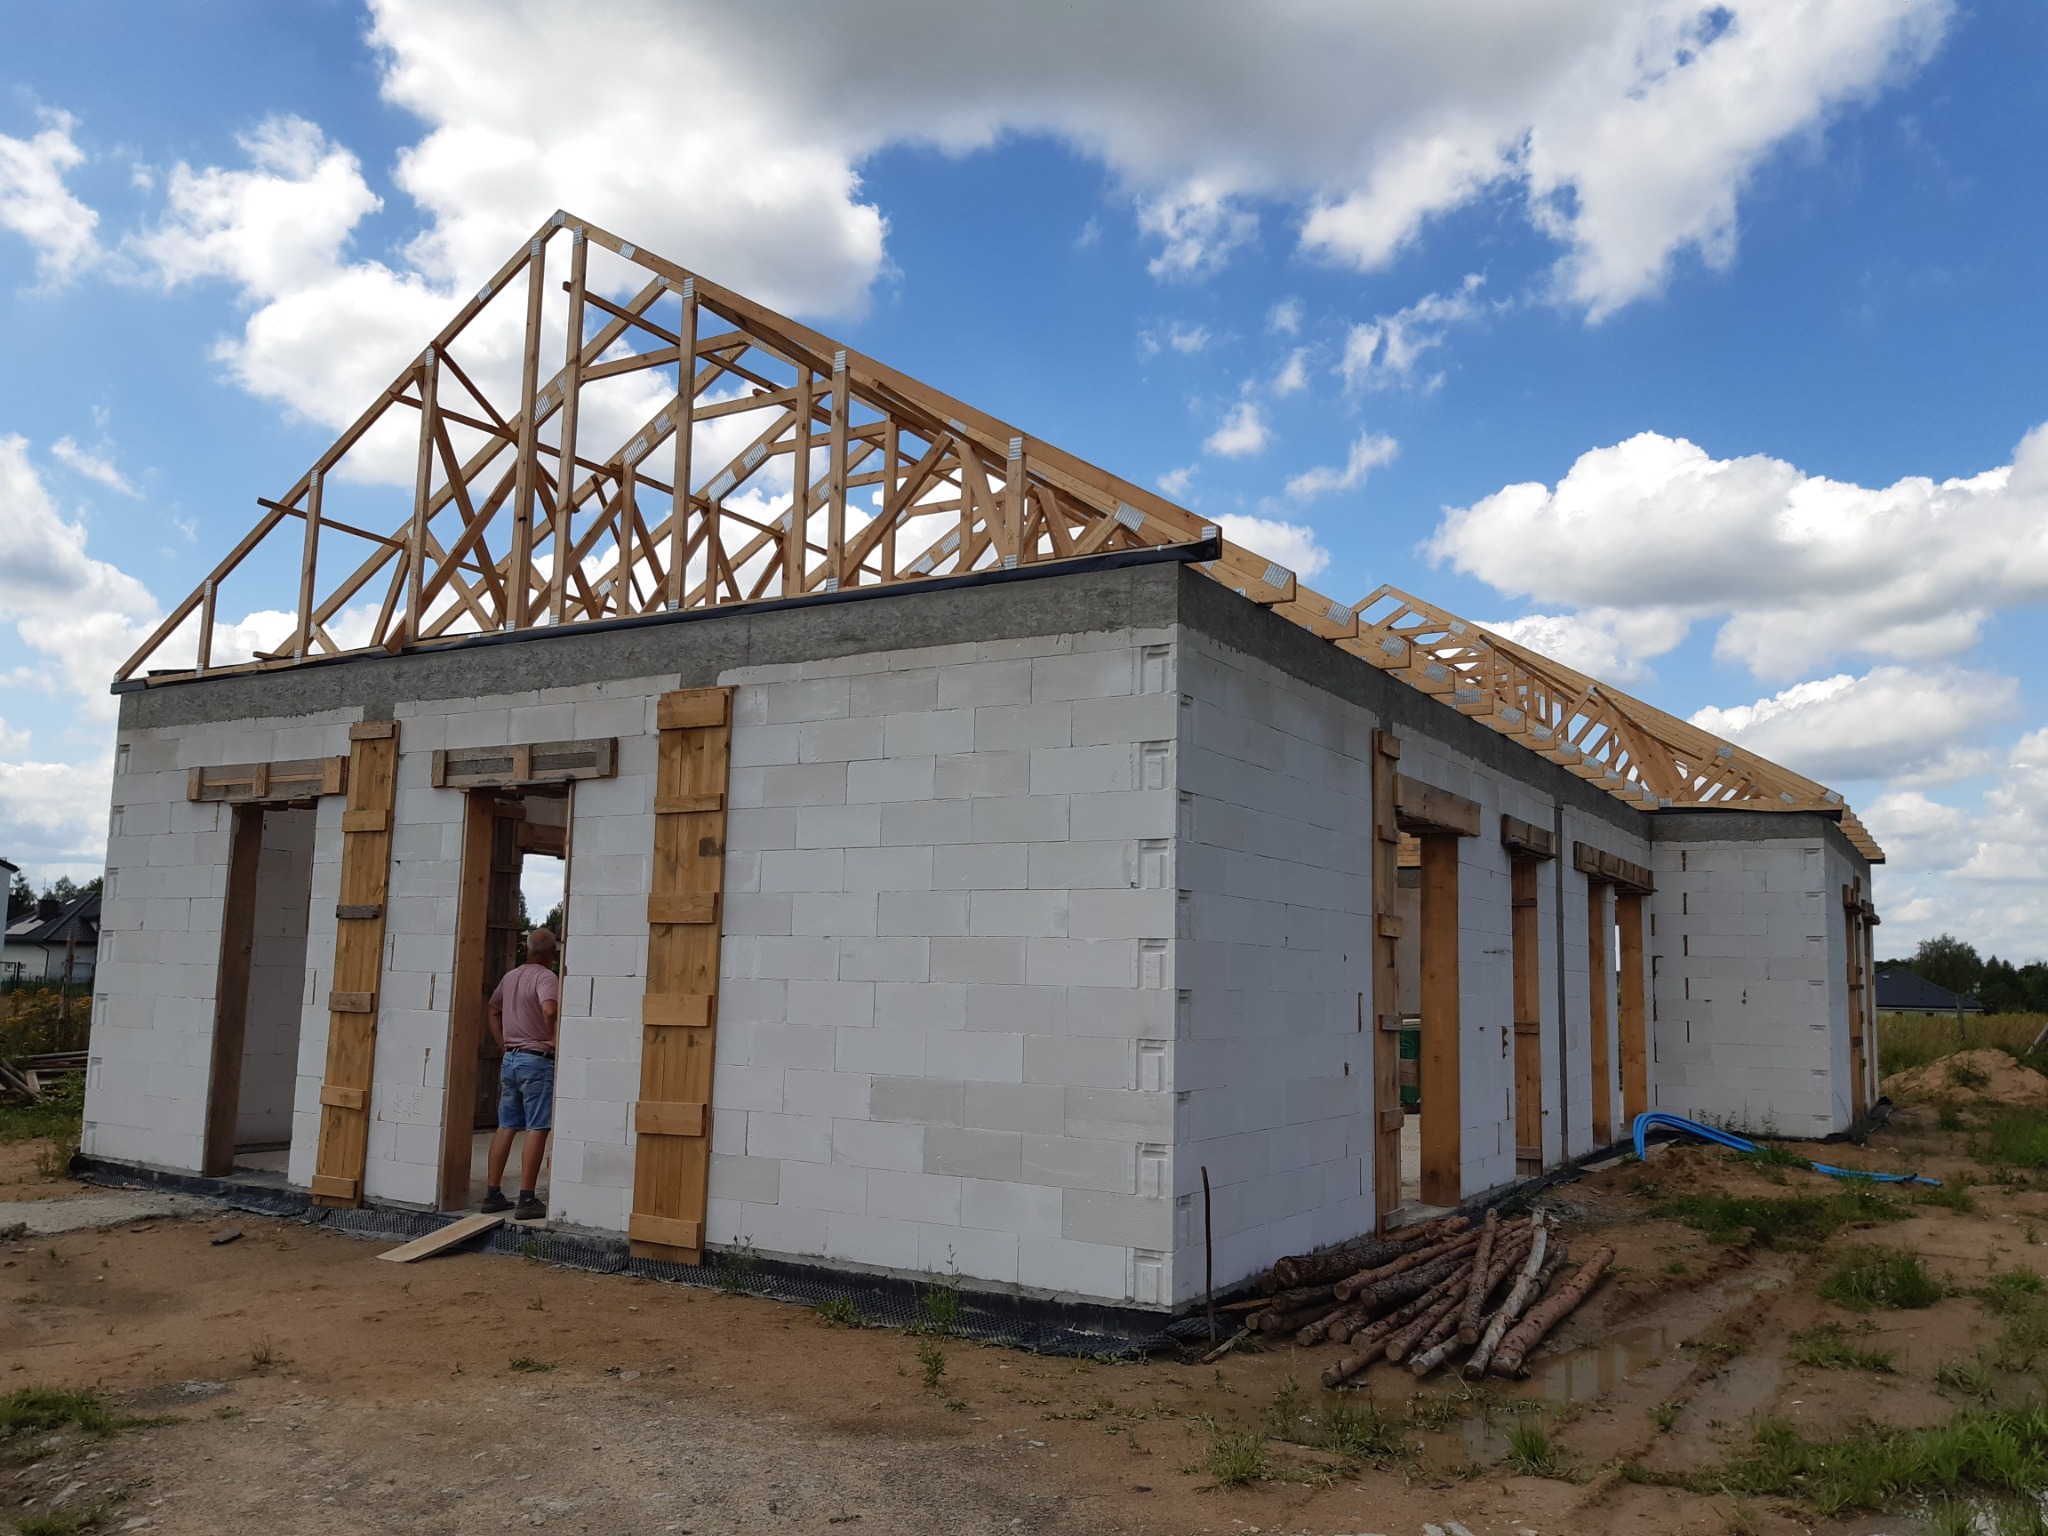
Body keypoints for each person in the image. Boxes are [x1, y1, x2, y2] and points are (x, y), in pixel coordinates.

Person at [482, 927, 560, 1220]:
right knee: (537, 1128)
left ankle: (492, 1194)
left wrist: (503, 1043)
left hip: (511, 1060)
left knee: (506, 1126)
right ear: (551, 954)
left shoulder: (510, 976)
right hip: (537, 1061)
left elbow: (493, 1008)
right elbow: (550, 1010)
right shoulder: (545, 977)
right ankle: (526, 1200)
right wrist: (554, 1038)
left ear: (528, 950)